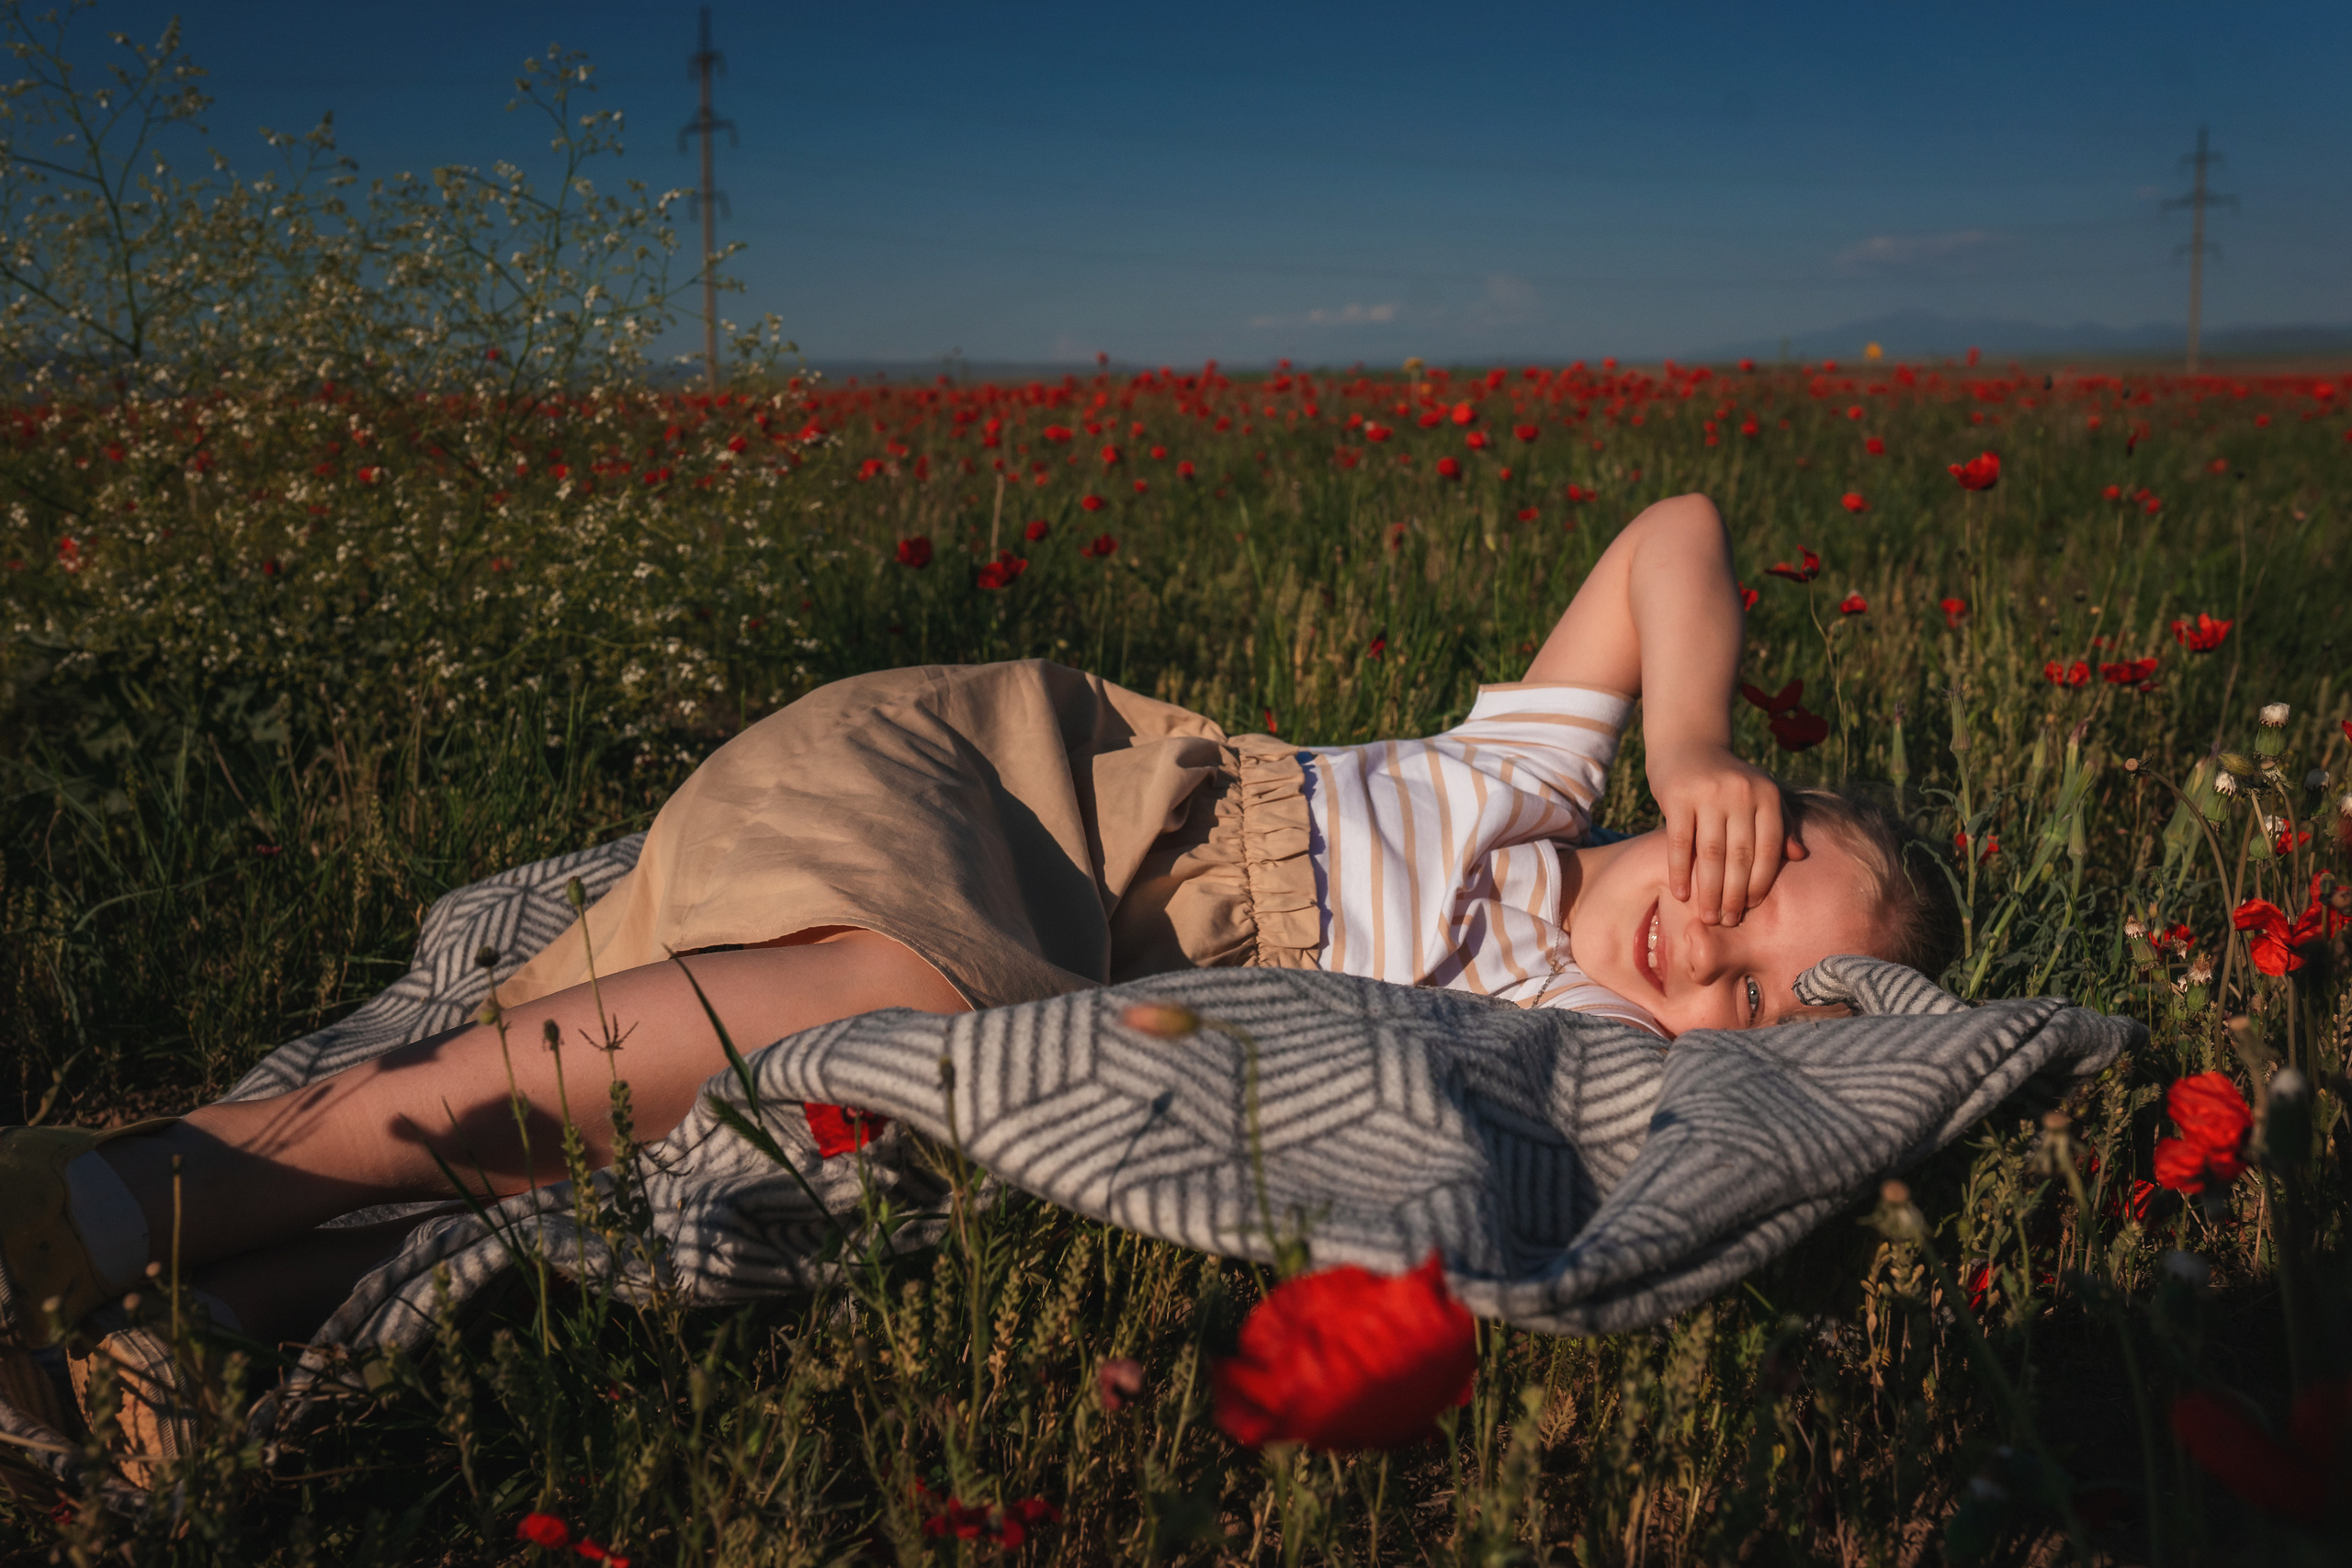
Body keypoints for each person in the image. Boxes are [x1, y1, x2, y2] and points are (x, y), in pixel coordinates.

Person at [0, 493, 1961, 1363]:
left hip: (1010, 970)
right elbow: (1676, 532)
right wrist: (1701, 738)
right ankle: (125, 1197)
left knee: (770, 1120)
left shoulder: (1560, 1056)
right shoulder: (1519, 794)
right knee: (894, 1004)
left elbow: (1788, 1098)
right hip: (999, 786)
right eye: (1761, 873)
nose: (1718, 951)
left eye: (1765, 1005)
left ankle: (214, 1305)